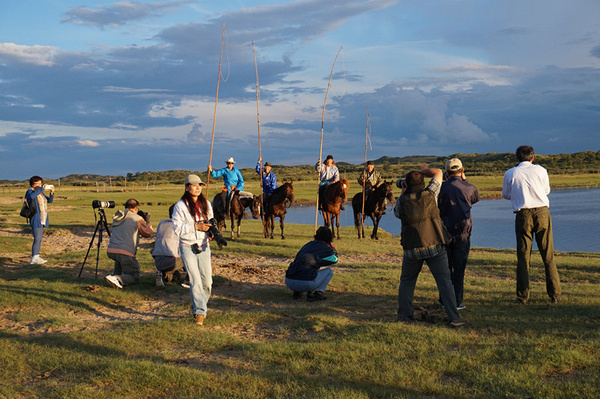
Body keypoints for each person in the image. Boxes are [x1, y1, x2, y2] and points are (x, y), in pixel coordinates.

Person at [394, 168, 466, 327]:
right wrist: (419, 171)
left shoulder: (402, 201)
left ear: (406, 185)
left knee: (407, 281)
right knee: (444, 281)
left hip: (411, 248)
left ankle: (404, 316)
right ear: (422, 183)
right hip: (434, 245)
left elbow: (397, 213)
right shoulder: (430, 195)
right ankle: (454, 317)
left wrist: (403, 190)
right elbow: (438, 172)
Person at [502, 145, 561, 304]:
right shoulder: (541, 170)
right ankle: (554, 294)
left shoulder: (510, 173)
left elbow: (506, 194)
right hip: (542, 213)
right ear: (533, 157)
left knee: (523, 256)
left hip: (523, 215)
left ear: (517, 158)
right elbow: (546, 190)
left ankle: (522, 296)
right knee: (547, 254)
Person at [172, 174, 214, 325]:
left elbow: (210, 222)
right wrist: (196, 226)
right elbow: (177, 229)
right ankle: (199, 313)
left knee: (207, 282)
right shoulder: (180, 206)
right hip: (187, 246)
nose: (197, 188)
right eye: (194, 185)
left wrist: (211, 232)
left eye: (200, 185)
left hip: (203, 245)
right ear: (186, 187)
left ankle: (198, 304)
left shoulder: (207, 204)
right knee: (195, 280)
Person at [438, 158, 480, 310]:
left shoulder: (440, 188)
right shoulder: (469, 187)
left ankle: (444, 299)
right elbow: (474, 199)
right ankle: (457, 301)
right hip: (463, 232)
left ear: (447, 173)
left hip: (444, 232)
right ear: (462, 171)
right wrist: (465, 180)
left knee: (445, 268)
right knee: (459, 268)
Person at [104, 199, 153, 289]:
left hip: (111, 250)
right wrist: (147, 220)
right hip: (126, 252)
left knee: (120, 260)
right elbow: (148, 233)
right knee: (134, 276)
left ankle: (115, 277)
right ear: (136, 208)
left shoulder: (117, 216)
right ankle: (116, 278)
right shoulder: (137, 218)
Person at [285, 226, 338, 302]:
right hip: (306, 284)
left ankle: (297, 292)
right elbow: (335, 259)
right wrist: (332, 246)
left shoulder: (307, 245)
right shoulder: (325, 247)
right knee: (329, 272)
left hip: (289, 281)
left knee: (305, 266)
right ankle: (316, 293)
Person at [151, 204, 188, 288]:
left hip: (158, 260)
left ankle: (164, 275)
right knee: (191, 255)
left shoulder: (162, 223)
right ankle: (188, 280)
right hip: (173, 260)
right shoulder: (181, 226)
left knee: (175, 276)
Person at [25, 176, 54, 264]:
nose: (39, 185)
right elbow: (31, 196)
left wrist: (52, 193)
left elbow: (50, 201)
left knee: (39, 238)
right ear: (32, 184)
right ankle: (34, 258)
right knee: (37, 238)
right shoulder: (30, 191)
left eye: (40, 183)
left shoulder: (40, 193)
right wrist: (41, 189)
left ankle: (36, 256)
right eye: (36, 183)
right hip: (36, 218)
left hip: (43, 218)